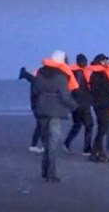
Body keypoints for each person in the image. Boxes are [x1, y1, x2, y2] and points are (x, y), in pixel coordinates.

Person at [31, 51, 78, 182]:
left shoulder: (39, 73)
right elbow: (64, 95)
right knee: (53, 142)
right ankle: (50, 173)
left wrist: (35, 108)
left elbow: (34, 92)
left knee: (46, 141)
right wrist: (74, 105)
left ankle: (45, 171)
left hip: (41, 110)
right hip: (56, 111)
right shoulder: (61, 76)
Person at [89, 54, 109, 162]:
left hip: (99, 104)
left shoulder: (94, 74)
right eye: (105, 60)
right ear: (101, 61)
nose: (106, 62)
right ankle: (95, 152)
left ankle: (98, 152)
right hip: (104, 104)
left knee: (102, 128)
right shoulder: (101, 74)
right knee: (104, 128)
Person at [63, 54, 94, 155]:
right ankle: (87, 149)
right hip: (82, 103)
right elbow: (78, 89)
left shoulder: (73, 72)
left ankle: (66, 143)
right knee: (89, 125)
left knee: (77, 125)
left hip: (75, 103)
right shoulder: (80, 73)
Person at [19, 67, 44, 153]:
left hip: (37, 105)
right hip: (38, 106)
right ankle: (35, 145)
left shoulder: (36, 81)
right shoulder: (38, 82)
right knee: (42, 125)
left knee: (41, 125)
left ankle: (37, 145)